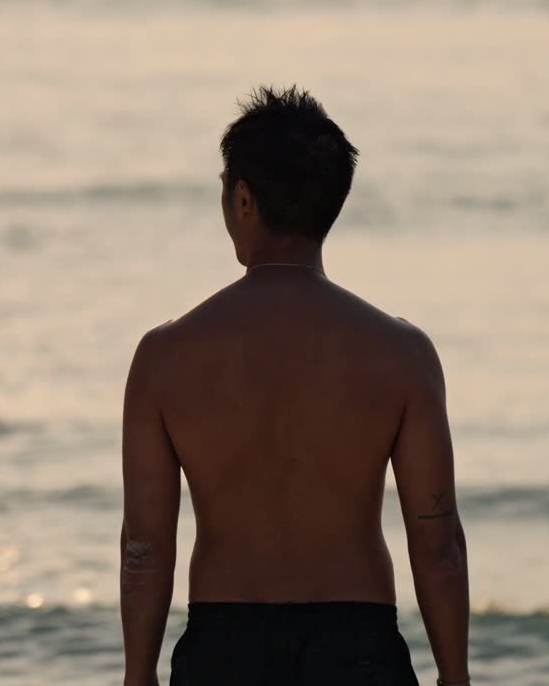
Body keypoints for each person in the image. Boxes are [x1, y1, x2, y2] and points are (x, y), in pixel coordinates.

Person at [120, 86, 470, 686]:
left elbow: (145, 546)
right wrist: (455, 677)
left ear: (245, 200)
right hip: (357, 648)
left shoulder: (166, 357)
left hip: (222, 649)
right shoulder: (401, 353)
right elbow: (436, 542)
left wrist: (138, 674)